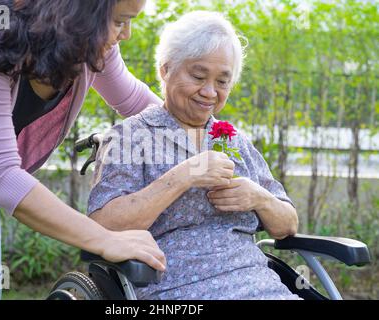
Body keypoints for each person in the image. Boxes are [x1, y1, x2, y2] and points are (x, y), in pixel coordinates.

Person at [0, 0, 166, 300]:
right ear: (81, 13)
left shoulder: (87, 45)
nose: (127, 34)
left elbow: (134, 101)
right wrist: (104, 240)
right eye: (120, 21)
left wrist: (211, 136)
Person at [87, 11, 300, 300]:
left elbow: (287, 225)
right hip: (178, 290)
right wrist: (183, 176)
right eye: (198, 76)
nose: (210, 92)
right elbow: (104, 226)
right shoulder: (130, 137)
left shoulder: (233, 140)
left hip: (261, 287)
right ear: (165, 70)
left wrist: (259, 196)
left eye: (223, 82)